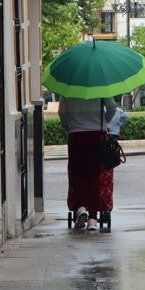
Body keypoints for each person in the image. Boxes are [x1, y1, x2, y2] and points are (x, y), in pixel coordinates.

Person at [59, 95, 118, 231]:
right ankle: (92, 218)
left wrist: (70, 126)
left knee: (77, 174)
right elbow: (112, 108)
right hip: (97, 135)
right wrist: (103, 122)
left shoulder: (68, 88)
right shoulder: (101, 86)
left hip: (76, 135)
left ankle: (81, 208)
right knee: (95, 175)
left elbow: (62, 113)